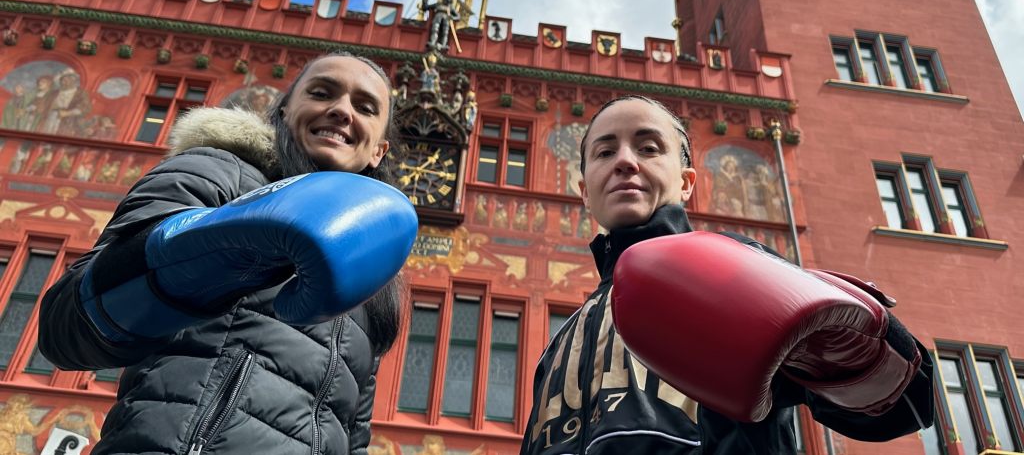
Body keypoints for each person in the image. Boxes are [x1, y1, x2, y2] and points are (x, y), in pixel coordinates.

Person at [39, 52, 420, 455]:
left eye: (364, 107)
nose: (342, 111)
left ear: (379, 149)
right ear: (285, 110)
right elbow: (67, 328)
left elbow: (350, 429)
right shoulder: (220, 173)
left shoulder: (373, 264)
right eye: (322, 93)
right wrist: (223, 250)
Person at [520, 95, 934, 454]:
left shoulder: (734, 267)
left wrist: (856, 352)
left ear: (686, 183)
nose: (625, 161)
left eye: (647, 148)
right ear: (583, 189)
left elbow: (906, 404)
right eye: (605, 153)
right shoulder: (559, 345)